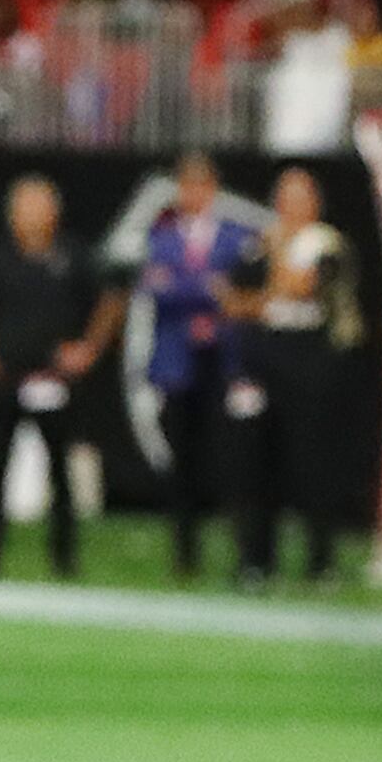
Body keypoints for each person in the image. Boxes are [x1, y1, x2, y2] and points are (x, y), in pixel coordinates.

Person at [0, 174, 116, 582]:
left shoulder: (72, 256)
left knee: (61, 473)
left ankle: (64, 558)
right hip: (9, 379)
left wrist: (89, 349)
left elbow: (110, 298)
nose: (30, 215)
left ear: (54, 212)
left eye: (38, 206)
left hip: (56, 381)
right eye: (23, 207)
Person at [131, 150, 262, 582]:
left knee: (231, 461)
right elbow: (160, 290)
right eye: (186, 185)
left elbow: (241, 292)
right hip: (178, 366)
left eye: (200, 185)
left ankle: (244, 553)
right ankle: (185, 554)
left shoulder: (235, 236)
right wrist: (209, 288)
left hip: (221, 363)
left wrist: (194, 288)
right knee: (181, 463)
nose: (193, 193)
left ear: (212, 189)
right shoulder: (163, 236)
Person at [240, 165, 358, 585]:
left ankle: (320, 561)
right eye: (284, 199)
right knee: (259, 461)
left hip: (310, 354)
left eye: (299, 199)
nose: (290, 208)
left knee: (312, 461)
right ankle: (256, 561)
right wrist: (263, 294)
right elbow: (232, 297)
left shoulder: (324, 243)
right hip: (268, 350)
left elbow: (301, 287)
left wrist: (272, 276)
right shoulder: (260, 243)